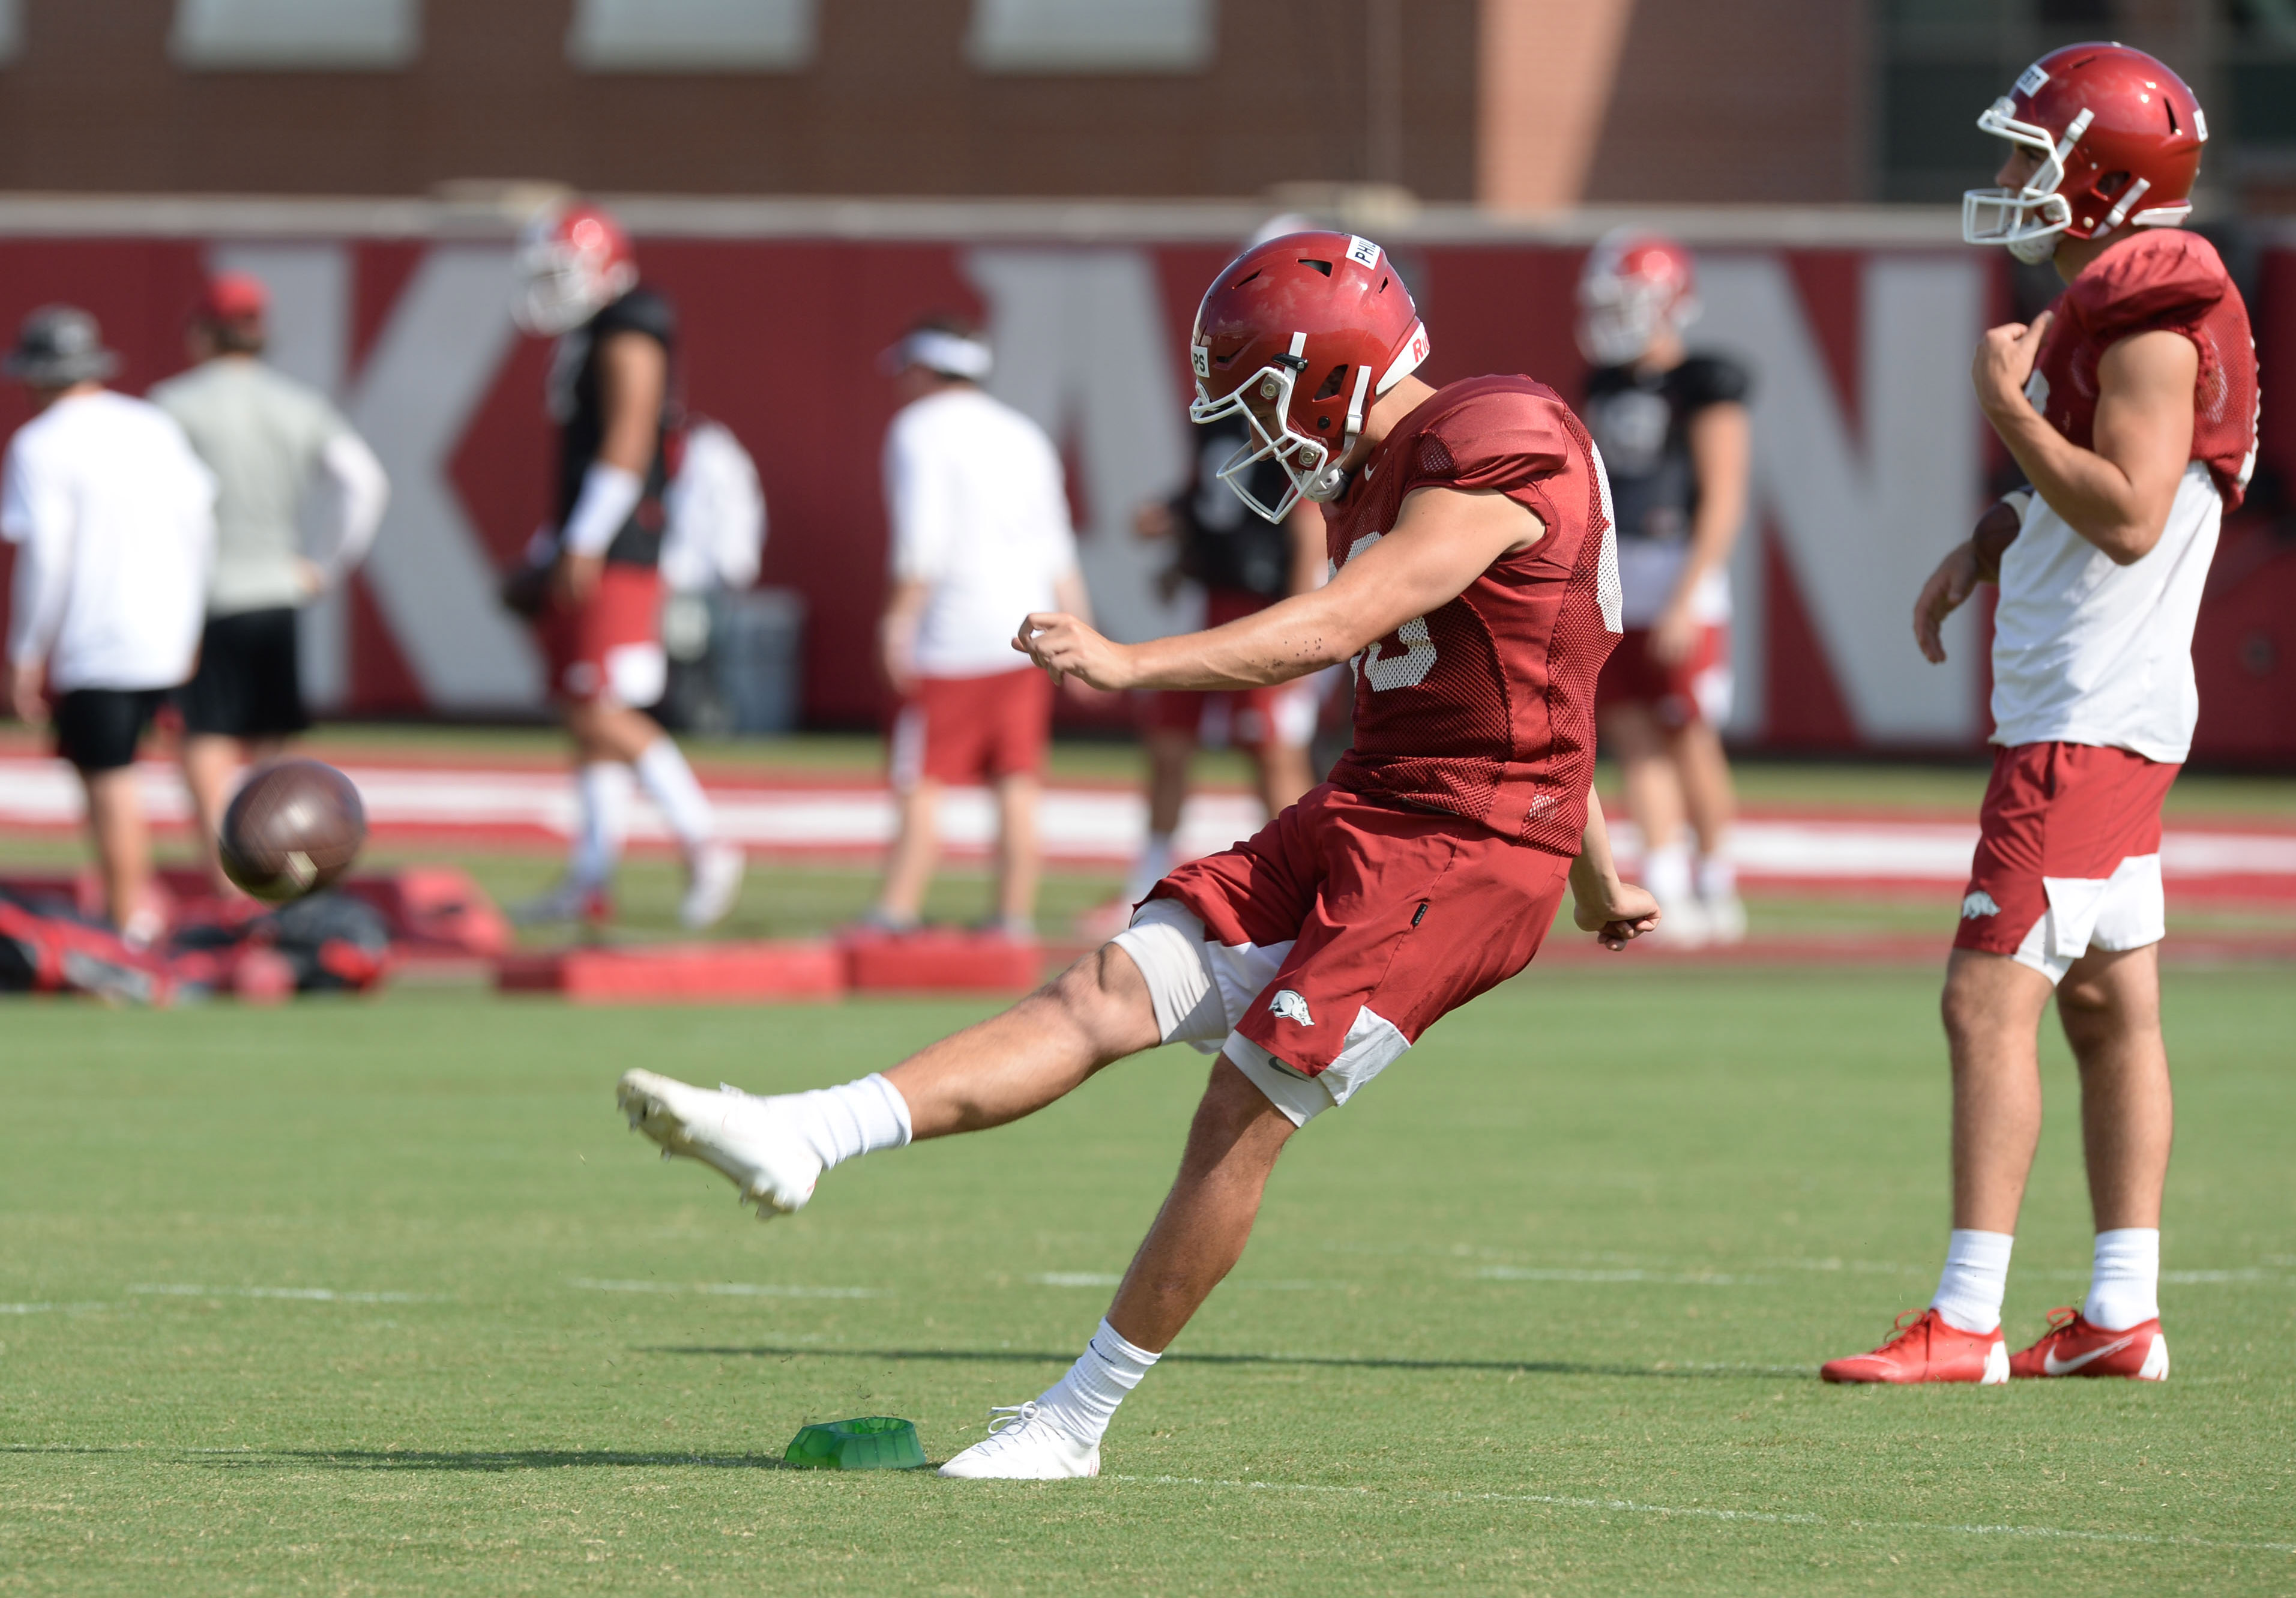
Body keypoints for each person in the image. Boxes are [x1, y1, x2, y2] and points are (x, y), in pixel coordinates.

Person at [615, 231, 1659, 1479]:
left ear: (1331, 369)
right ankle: (807, 1132)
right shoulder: (1376, 474)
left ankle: (1073, 1422)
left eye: (1262, 396)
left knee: (1244, 1104)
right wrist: (1601, 877)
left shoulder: (1497, 434)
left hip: (1466, 849)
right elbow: (1548, 687)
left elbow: (1344, 625)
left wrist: (1131, 660)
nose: (1259, 435)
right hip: (1367, 807)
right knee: (1105, 987)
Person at [1823, 43, 2255, 1386]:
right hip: (2099, 707)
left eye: (2032, 157)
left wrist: (2003, 408)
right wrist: (1995, 531)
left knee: (1980, 996)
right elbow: (2107, 491)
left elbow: (2129, 513)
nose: (2008, 181)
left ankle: (1965, 1315)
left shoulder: (2143, 320)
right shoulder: (2113, 306)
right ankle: (2122, 1308)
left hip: (2086, 715)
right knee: (2107, 1008)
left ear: (2104, 180)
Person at [507, 202, 745, 932]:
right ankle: (592, 874)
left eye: (561, 270)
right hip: (597, 539)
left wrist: (581, 540)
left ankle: (706, 840)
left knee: (599, 707)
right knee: (583, 717)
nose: (551, 286)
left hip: (620, 547)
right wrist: (553, 545)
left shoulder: (631, 322)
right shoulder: (595, 329)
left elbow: (629, 438)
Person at [150, 271, 390, 891]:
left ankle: (231, 877)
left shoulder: (174, 404)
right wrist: (323, 566)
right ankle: (279, 867)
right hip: (276, 589)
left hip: (203, 594)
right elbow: (365, 484)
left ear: (203, 331)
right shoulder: (298, 404)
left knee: (205, 739)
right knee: (269, 746)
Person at [863, 317, 1091, 940]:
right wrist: (1084, 637)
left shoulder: (917, 432)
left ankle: (894, 912)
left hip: (951, 636)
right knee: (1016, 780)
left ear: (921, 370)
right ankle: (1011, 918)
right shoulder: (1023, 434)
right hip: (1027, 634)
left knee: (920, 782)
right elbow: (1058, 548)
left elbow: (921, 545)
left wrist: (895, 624)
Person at [1, 306, 217, 942]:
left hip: (96, 638)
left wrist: (24, 649)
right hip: (164, 630)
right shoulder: (153, 426)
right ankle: (218, 902)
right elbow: (198, 528)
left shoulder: (39, 445)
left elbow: (47, 555)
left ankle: (131, 922)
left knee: (108, 779)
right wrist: (190, 621)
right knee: (187, 764)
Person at [1576, 232, 1751, 944]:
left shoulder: (1706, 382)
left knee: (1687, 731)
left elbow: (1723, 496)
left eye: (1627, 302)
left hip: (1679, 570)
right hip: (1618, 574)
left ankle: (1717, 876)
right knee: (1630, 732)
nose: (1613, 317)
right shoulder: (1605, 384)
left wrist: (1686, 594)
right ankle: (1668, 875)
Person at [1091, 416, 1328, 933]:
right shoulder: (1218, 421)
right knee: (1169, 743)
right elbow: (1215, 500)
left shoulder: (1293, 423)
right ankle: (1147, 875)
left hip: (1270, 610)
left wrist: (1301, 622)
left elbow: (1307, 520)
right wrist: (1182, 557)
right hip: (1210, 602)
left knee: (1273, 753)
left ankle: (1305, 882)